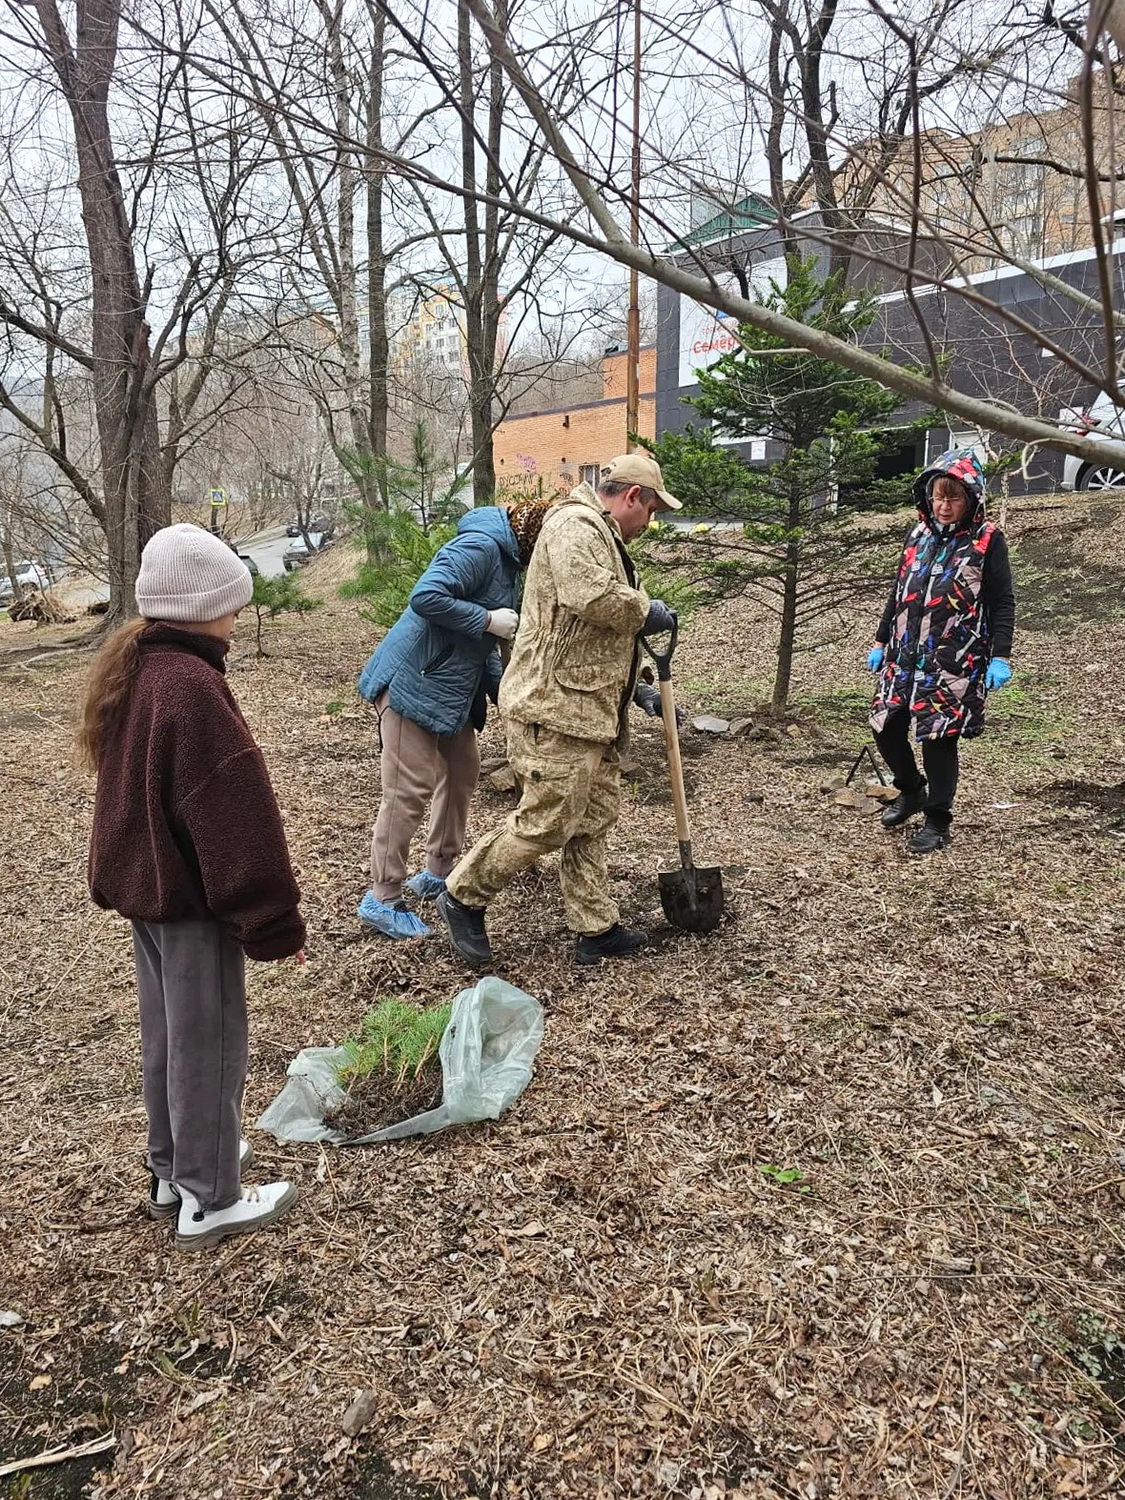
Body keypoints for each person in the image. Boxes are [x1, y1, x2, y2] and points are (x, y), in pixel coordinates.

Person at [79, 524, 306, 1251]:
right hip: (190, 900)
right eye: (231, 601)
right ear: (201, 607)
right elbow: (233, 818)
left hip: (148, 891)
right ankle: (209, 1199)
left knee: (169, 1036)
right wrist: (271, 919)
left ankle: (172, 1170)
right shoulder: (190, 687)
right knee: (209, 1043)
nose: (238, 614)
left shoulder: (142, 668)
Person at [436, 454, 682, 967]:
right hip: (554, 709)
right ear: (632, 496)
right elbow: (588, 597)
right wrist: (645, 610)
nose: (650, 521)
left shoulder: (605, 535)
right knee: (547, 820)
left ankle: (596, 928)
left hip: (592, 710)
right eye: (652, 509)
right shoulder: (574, 525)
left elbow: (596, 638)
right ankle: (463, 894)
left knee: (594, 817)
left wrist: (638, 689)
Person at [355, 498, 553, 938]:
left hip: (450, 690)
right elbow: (426, 597)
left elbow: (483, 647)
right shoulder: (481, 546)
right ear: (533, 536)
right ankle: (382, 896)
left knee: (463, 771)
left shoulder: (509, 562)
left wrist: (506, 694)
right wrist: (486, 619)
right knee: (409, 789)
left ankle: (438, 872)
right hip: (411, 682)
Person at [867, 449, 1016, 855]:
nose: (944, 506)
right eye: (938, 497)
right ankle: (911, 790)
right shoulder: (917, 536)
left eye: (953, 498)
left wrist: (1001, 656)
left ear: (971, 499)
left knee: (939, 737)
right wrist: (880, 641)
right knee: (885, 725)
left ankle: (937, 820)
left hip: (954, 659)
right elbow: (898, 592)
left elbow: (1002, 601)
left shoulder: (987, 540)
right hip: (904, 654)